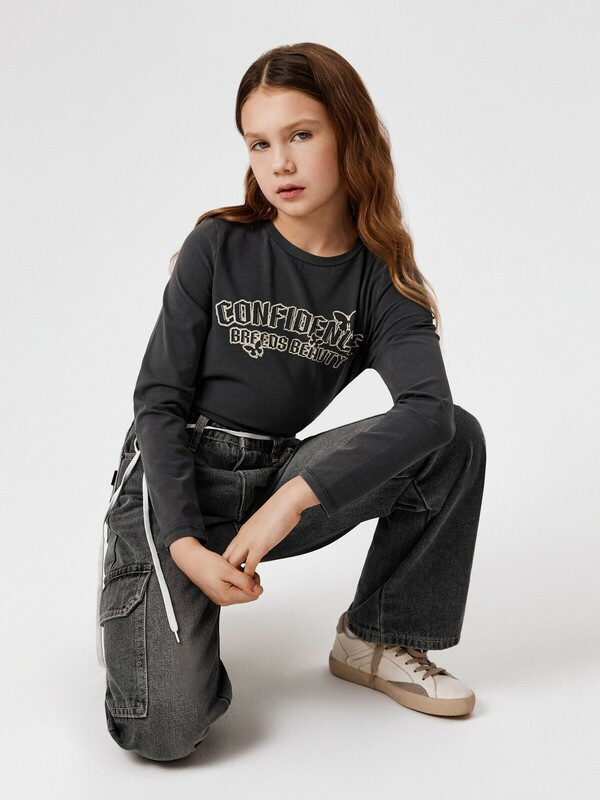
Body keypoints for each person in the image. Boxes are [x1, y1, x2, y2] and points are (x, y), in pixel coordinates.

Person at [96, 41, 487, 762]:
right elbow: (157, 401)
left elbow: (429, 412)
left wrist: (290, 501)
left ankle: (377, 638)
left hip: (275, 483)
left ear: (349, 134)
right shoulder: (219, 244)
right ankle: (145, 598)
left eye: (300, 135)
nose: (279, 164)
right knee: (165, 732)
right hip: (173, 480)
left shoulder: (381, 280)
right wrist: (183, 544)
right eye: (260, 143)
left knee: (454, 437)